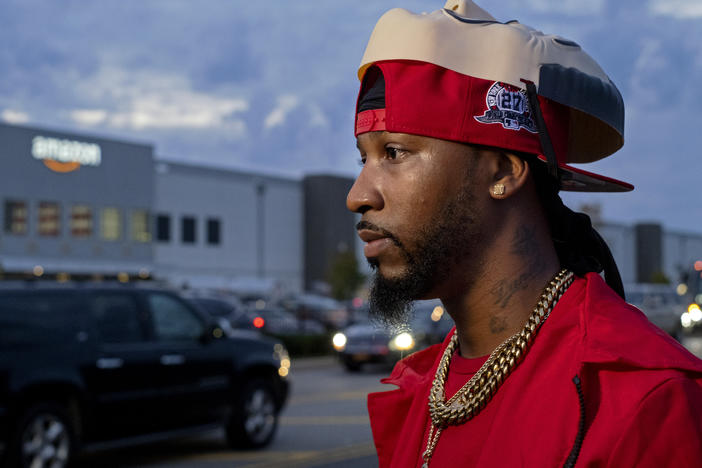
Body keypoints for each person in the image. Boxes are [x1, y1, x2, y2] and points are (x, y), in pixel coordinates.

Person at [345, 1, 702, 467]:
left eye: (394, 152)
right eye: (363, 158)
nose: (358, 195)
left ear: (504, 172)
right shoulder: (420, 388)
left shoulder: (644, 401)